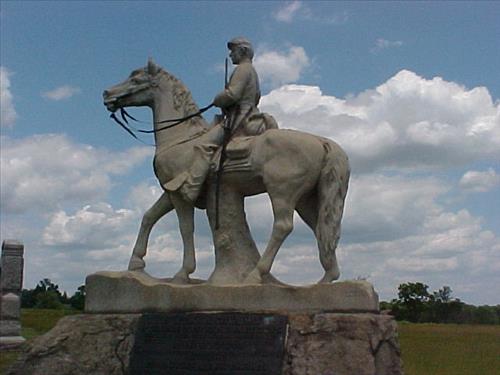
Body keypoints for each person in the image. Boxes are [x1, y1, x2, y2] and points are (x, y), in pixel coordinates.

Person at [167, 37, 263, 203]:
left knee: (203, 145)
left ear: (242, 51)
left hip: (239, 117)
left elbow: (233, 94)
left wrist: (220, 98)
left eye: (233, 51)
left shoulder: (243, 69)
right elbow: (255, 96)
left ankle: (192, 187)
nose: (231, 54)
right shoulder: (251, 71)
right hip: (245, 112)